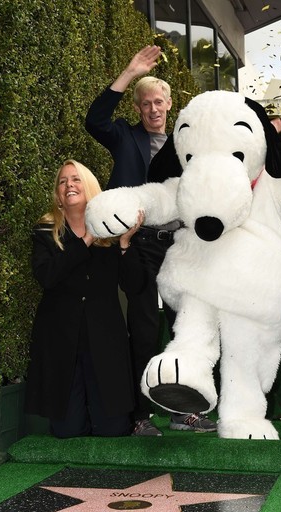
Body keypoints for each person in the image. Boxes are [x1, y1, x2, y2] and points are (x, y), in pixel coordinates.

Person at [85, 45, 216, 435]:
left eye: (159, 102)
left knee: (184, 330)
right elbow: (95, 120)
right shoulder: (125, 136)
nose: (153, 109)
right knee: (142, 329)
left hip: (182, 247)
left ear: (170, 104)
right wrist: (129, 73)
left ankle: (182, 411)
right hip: (138, 246)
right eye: (145, 104)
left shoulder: (187, 147)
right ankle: (141, 417)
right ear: (138, 108)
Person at [25, 160, 145, 438]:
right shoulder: (45, 232)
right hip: (60, 340)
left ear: (89, 187)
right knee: (68, 431)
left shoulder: (113, 232)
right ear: (57, 194)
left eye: (76, 179)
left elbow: (134, 285)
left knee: (113, 430)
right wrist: (87, 239)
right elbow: (48, 277)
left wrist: (126, 243)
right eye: (63, 181)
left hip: (105, 340)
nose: (69, 185)